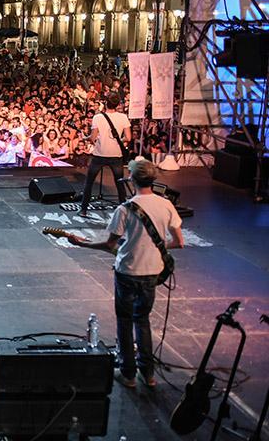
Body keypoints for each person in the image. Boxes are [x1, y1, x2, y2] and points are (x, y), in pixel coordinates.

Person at [66, 158, 183, 389]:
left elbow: (109, 244)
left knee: (125, 321)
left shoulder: (125, 209)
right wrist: (155, 246)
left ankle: (128, 374)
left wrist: (81, 244)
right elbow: (179, 242)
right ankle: (148, 374)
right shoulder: (166, 204)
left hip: (128, 271)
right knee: (143, 321)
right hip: (152, 272)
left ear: (131, 178)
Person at [80, 92, 130, 217]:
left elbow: (93, 138)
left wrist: (85, 138)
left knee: (89, 182)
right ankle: (123, 212)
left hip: (99, 154)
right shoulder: (123, 117)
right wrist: (117, 139)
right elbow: (128, 137)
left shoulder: (98, 117)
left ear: (105, 103)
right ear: (118, 104)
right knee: (119, 183)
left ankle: (84, 210)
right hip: (116, 155)